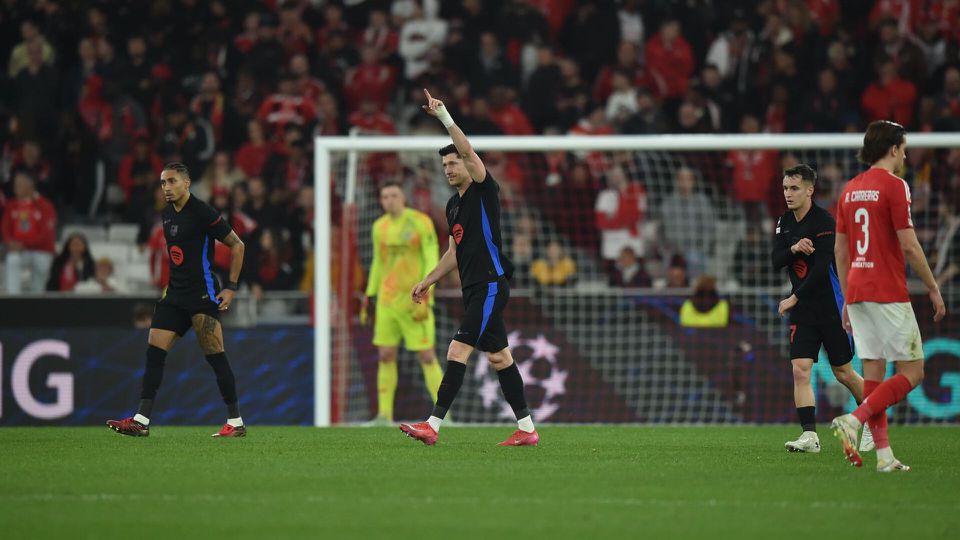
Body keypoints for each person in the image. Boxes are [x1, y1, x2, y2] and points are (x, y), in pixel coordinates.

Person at [401, 89, 538, 446]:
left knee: (456, 350)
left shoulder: (483, 189)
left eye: (454, 163)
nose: (449, 169)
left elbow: (467, 150)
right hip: (474, 287)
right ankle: (526, 429)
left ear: (467, 164)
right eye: (444, 165)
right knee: (499, 357)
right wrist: (428, 280)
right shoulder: (452, 207)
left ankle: (432, 425)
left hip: (491, 284)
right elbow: (453, 252)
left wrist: (445, 119)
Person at [831, 121, 946, 472]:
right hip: (887, 290)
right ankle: (855, 418)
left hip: (859, 291)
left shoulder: (849, 189)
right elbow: (909, 245)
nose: (905, 155)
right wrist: (933, 286)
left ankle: (883, 456)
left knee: (874, 376)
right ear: (894, 149)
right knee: (914, 371)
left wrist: (848, 297)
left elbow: (840, 250)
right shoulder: (896, 186)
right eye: (904, 149)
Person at [107, 162, 248, 438]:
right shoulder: (167, 213)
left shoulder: (203, 212)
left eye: (171, 181)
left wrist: (231, 287)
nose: (166, 188)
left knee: (215, 357)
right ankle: (141, 420)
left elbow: (237, 245)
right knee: (154, 353)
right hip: (174, 296)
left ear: (187, 183)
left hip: (202, 296)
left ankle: (236, 421)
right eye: (163, 183)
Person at [772, 164, 867, 453]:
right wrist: (795, 249)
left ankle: (877, 416)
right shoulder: (784, 222)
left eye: (795, 188)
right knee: (800, 370)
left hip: (829, 307)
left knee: (844, 373)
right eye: (786, 188)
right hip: (803, 311)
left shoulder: (824, 221)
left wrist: (794, 298)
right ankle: (810, 437)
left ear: (810, 190)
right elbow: (776, 259)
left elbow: (824, 265)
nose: (788, 193)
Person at [360, 181, 443, 424]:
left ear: (403, 198)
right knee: (385, 354)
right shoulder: (379, 227)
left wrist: (428, 292)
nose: (389, 200)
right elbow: (378, 262)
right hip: (387, 301)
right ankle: (384, 416)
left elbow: (431, 256)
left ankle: (444, 415)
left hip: (415, 299)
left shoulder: (420, 222)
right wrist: (369, 294)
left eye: (394, 195)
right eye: (384, 196)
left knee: (427, 356)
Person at [2, 172, 56, 293]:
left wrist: (24, 244)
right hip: (19, 250)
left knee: (41, 266)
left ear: (30, 187)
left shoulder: (45, 206)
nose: (15, 187)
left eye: (19, 184)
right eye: (15, 184)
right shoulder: (11, 205)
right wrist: (10, 243)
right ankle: (13, 297)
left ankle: (37, 298)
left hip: (41, 250)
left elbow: (46, 234)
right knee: (12, 259)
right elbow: (5, 228)